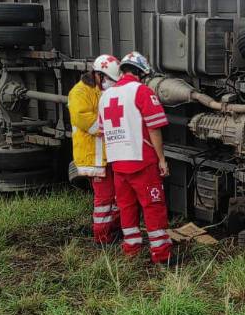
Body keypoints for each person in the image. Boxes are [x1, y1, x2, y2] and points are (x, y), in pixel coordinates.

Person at [98, 51, 172, 263]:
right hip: (141, 160)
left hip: (117, 163)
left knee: (126, 207)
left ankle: (131, 249)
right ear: (141, 73)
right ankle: (161, 254)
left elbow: (103, 132)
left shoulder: (105, 97)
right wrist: (162, 159)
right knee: (153, 206)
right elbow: (154, 128)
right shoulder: (142, 91)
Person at [68, 54, 122, 244]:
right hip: (95, 158)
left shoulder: (103, 90)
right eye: (109, 79)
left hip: (109, 155)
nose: (111, 83)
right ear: (98, 75)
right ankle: (103, 238)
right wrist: (116, 128)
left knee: (117, 197)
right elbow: (87, 122)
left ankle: (115, 231)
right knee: (104, 200)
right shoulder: (79, 92)